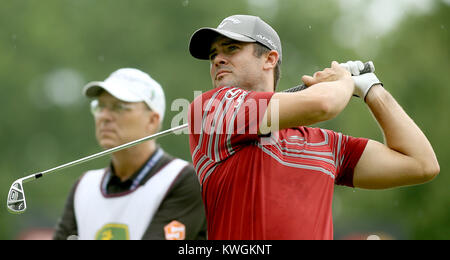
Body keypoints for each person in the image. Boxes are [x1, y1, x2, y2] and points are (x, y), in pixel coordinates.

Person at [187, 15, 439, 240]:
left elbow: (421, 164)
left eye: (231, 48)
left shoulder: (327, 145)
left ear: (269, 59)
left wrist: (371, 88)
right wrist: (345, 81)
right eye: (213, 55)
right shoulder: (212, 109)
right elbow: (324, 104)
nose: (218, 59)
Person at [53, 68, 206, 240]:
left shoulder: (183, 180)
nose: (104, 116)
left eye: (119, 107)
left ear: (152, 121)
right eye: (100, 106)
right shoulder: (84, 186)